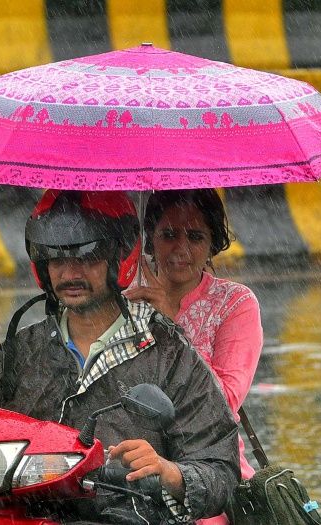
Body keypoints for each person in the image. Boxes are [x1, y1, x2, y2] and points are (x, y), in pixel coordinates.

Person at [0, 189, 241, 524]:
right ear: (41, 265)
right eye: (56, 258)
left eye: (87, 256)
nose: (70, 273)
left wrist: (169, 472)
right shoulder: (18, 353)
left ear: (118, 256)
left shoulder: (169, 353)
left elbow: (220, 472)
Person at [123, 189, 263, 525]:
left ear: (213, 242)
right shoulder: (123, 301)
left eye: (196, 236)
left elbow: (223, 403)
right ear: (150, 238)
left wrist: (170, 321)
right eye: (169, 234)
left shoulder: (235, 304)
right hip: (128, 470)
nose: (181, 249)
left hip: (207, 474)